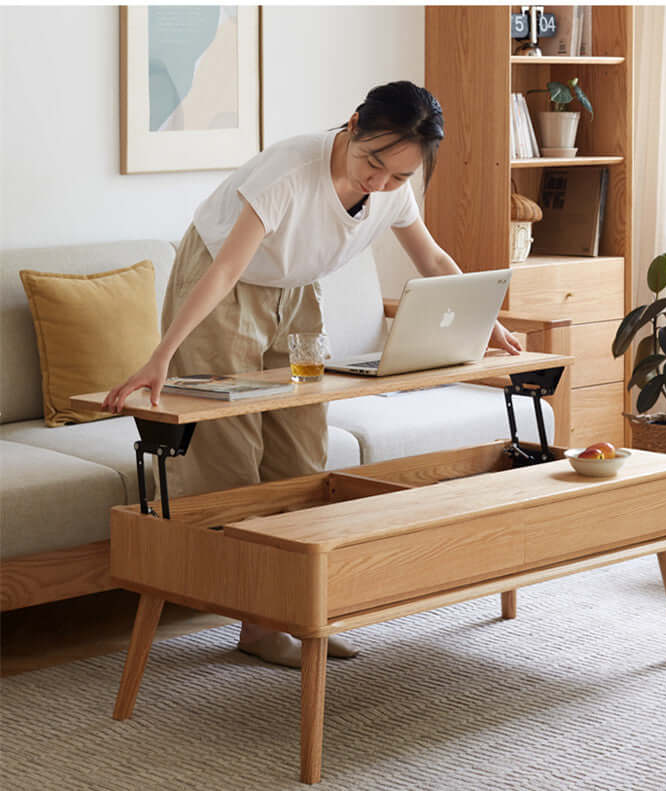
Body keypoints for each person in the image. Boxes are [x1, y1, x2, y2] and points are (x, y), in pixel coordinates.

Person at [102, 80, 522, 668]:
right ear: (352, 125)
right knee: (230, 451)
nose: (380, 183)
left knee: (302, 451)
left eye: (399, 176)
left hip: (295, 291)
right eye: (373, 163)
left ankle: (286, 614)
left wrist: (486, 322)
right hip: (226, 289)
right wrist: (163, 353)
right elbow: (223, 272)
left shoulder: (395, 186)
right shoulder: (289, 173)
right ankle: (253, 614)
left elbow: (431, 259)